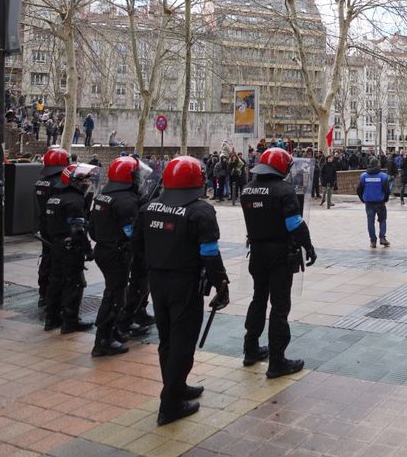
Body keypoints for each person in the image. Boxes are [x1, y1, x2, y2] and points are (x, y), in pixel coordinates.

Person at [133, 156, 228, 424]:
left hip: (157, 282)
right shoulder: (201, 211)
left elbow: (137, 245)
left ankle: (176, 385)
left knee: (168, 339)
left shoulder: (149, 208)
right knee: (183, 343)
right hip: (185, 285)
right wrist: (221, 284)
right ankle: (170, 404)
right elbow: (210, 254)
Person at [240, 148, 315, 378]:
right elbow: (294, 224)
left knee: (258, 299)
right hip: (279, 254)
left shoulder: (247, 190)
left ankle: (250, 349)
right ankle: (277, 360)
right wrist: (309, 247)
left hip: (257, 252)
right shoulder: (284, 190)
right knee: (280, 306)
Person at [89, 156, 152, 357]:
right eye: (135, 176)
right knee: (115, 295)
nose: (138, 179)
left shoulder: (103, 195)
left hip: (104, 249)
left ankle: (114, 330)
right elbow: (132, 233)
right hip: (117, 253)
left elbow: (92, 229)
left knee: (115, 292)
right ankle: (103, 339)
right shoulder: (127, 202)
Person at [44, 163, 99, 333]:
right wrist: (88, 250)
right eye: (84, 180)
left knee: (55, 282)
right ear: (75, 181)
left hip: (55, 245)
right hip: (70, 247)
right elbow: (78, 230)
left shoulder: (54, 198)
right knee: (74, 284)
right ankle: (70, 321)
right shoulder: (75, 201)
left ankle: (51, 319)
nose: (87, 183)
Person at [35, 148, 70, 310]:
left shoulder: (41, 181)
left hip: (44, 225)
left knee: (46, 258)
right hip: (59, 227)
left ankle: (43, 293)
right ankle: (55, 296)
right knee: (58, 261)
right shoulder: (60, 183)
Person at [358, 157, 390, 248]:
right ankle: (382, 237)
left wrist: (363, 199)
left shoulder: (364, 176)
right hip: (380, 202)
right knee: (382, 220)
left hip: (368, 202)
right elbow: (387, 191)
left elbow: (359, 190)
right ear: (378, 165)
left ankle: (373, 241)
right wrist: (385, 199)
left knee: (370, 222)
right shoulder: (383, 176)